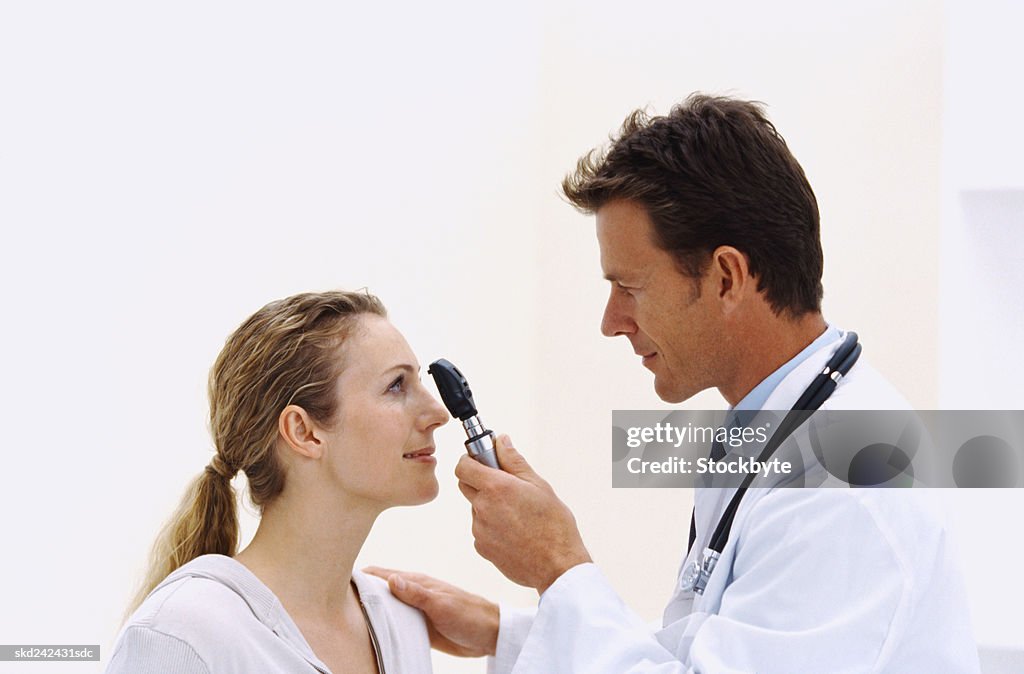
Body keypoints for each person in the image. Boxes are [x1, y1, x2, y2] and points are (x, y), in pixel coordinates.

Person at [367, 95, 982, 672]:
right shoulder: (779, 431)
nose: (611, 323)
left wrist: (558, 567)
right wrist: (509, 632)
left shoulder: (848, 489)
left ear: (725, 277)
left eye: (629, 288)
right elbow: (710, 652)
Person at [108, 290, 449, 673]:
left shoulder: (402, 623)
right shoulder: (182, 636)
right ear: (303, 432)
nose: (438, 412)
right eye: (396, 386)